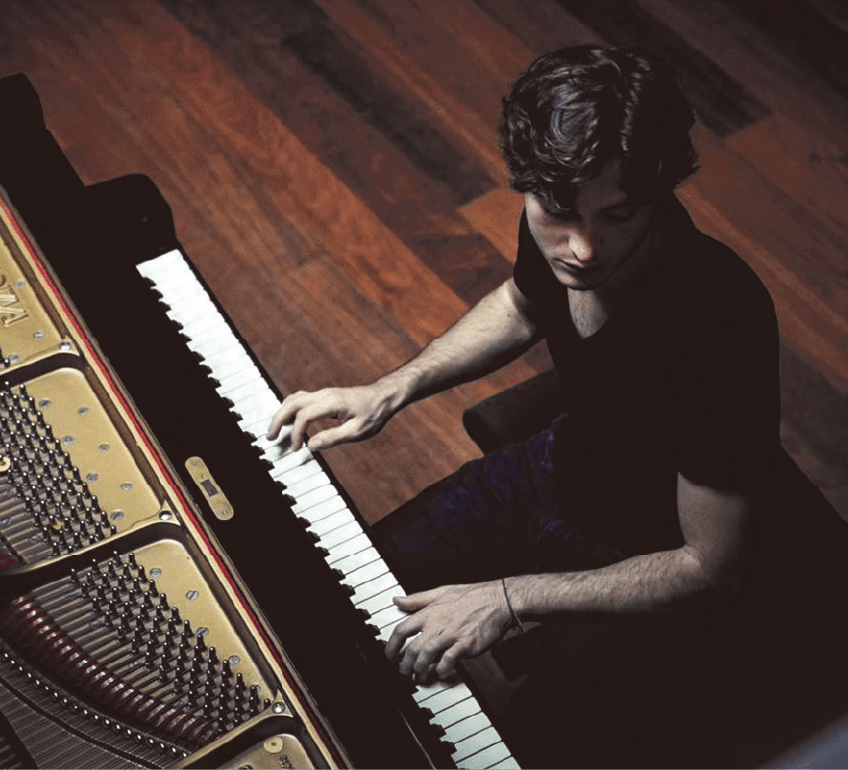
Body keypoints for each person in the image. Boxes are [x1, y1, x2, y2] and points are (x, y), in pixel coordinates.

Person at [267, 45, 787, 767]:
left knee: (511, 751)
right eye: (559, 212)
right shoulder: (561, 208)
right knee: (330, 601)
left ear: (659, 187)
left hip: (650, 557)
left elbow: (708, 567)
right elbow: (522, 305)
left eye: (619, 214)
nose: (583, 248)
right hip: (556, 470)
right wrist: (392, 386)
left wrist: (507, 599)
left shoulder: (718, 323)